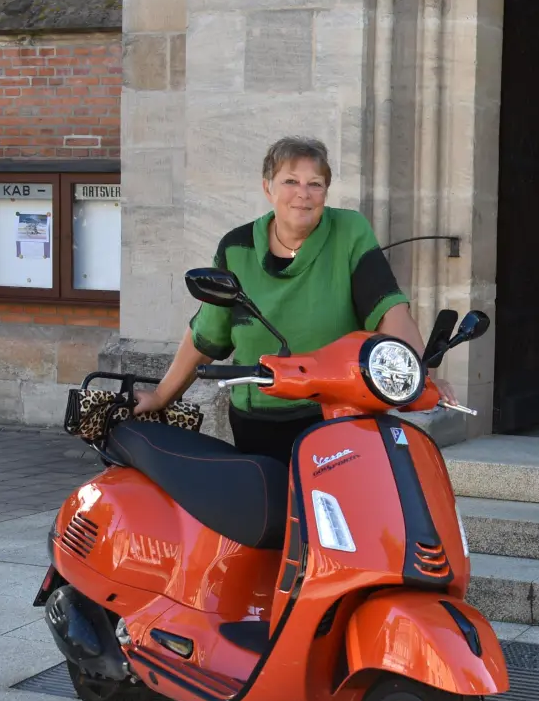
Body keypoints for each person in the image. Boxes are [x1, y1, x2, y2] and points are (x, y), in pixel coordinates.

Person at [133, 136, 454, 466]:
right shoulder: (237, 248)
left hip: (337, 412)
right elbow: (206, 333)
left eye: (315, 184)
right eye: (290, 181)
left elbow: (389, 309)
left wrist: (417, 375)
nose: (303, 193)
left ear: (325, 192)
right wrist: (161, 395)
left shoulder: (349, 232)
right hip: (259, 419)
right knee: (266, 496)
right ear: (267, 187)